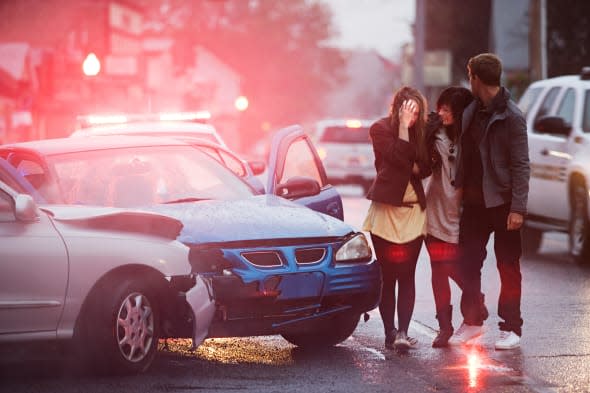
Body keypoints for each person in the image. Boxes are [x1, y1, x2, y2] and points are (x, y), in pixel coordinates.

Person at [452, 53, 530, 350]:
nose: (468, 80)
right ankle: (472, 322)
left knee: (507, 266)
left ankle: (512, 327)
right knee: (467, 262)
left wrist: (518, 208)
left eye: (469, 75)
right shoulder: (473, 111)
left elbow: (521, 164)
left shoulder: (511, 116)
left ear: (476, 78)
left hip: (503, 202)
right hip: (474, 203)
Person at [362, 86, 431, 351]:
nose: (412, 116)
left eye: (416, 111)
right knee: (388, 275)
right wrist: (403, 130)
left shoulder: (422, 133)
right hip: (385, 211)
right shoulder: (379, 129)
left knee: (407, 274)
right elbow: (397, 158)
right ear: (398, 108)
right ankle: (390, 332)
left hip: (414, 213)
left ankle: (403, 332)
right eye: (407, 109)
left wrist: (410, 159)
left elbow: (425, 167)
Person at [424, 86, 489, 348]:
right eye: (440, 107)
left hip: (464, 215)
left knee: (459, 267)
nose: (442, 112)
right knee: (438, 269)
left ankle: (475, 297)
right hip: (435, 212)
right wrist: (429, 128)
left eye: (448, 109)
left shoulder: (471, 137)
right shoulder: (433, 134)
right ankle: (444, 326)